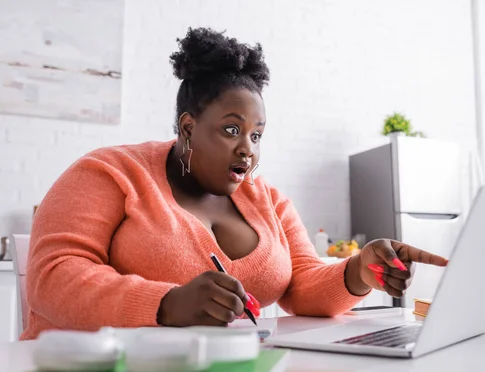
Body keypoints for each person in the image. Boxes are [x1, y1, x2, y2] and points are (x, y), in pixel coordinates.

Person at [21, 27, 447, 340]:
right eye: (231, 130)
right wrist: (167, 304)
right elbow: (52, 278)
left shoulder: (270, 202)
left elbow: (302, 286)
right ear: (188, 128)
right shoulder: (110, 173)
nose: (248, 150)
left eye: (256, 135)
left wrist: (358, 271)